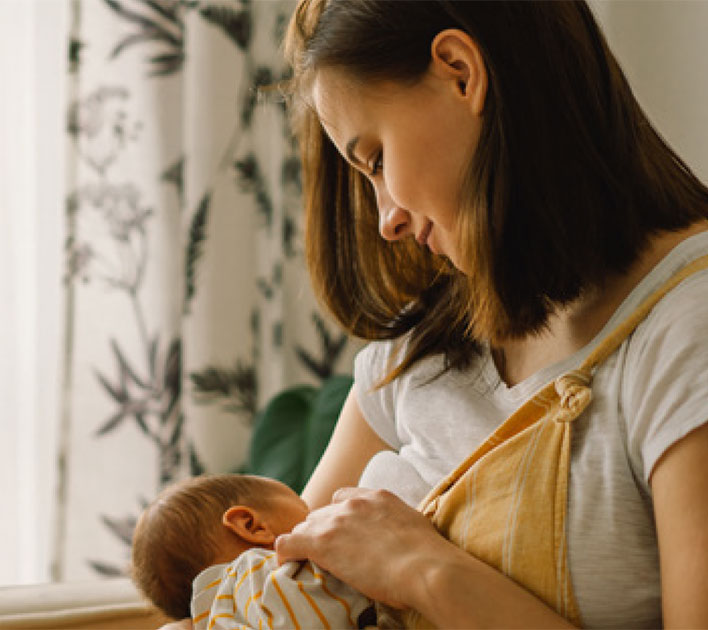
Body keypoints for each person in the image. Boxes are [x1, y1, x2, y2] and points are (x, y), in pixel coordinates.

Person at [161, 1, 708, 628]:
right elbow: (283, 600)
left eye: (375, 161)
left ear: (460, 71)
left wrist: (427, 571)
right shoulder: (425, 347)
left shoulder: (687, 326)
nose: (386, 218)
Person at [132, 474, 374, 630]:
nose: (318, 519)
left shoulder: (216, 618)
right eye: (307, 512)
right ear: (252, 526)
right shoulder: (264, 571)